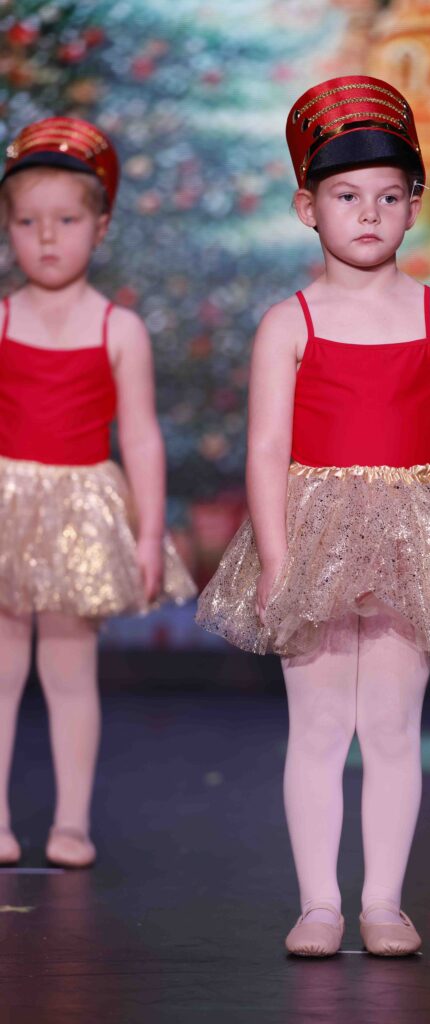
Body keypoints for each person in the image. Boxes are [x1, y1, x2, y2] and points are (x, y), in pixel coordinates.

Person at [197, 76, 430, 955]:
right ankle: (317, 906)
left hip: (414, 534)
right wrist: (277, 558)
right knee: (320, 725)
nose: (367, 213)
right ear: (307, 208)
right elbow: (267, 447)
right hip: (315, 535)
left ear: (413, 205)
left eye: (387, 196)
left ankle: (382, 903)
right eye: (344, 196)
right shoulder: (288, 322)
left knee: (393, 728)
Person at [0, 117, 196, 869]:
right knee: (3, 668)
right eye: (28, 222)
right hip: (8, 503)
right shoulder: (4, 319)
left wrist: (148, 534)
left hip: (80, 511)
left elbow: (140, 437)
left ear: (101, 226)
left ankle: (72, 821)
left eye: (67, 221)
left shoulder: (119, 329)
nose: (47, 238)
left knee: (70, 670)